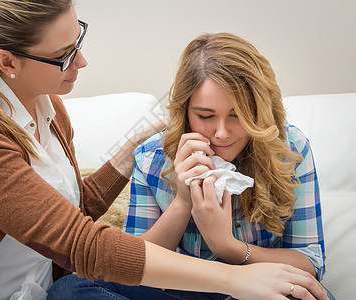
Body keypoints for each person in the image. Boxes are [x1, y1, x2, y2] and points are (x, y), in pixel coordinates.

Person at [0, 0, 328, 298]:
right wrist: (232, 275)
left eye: (78, 41)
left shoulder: (49, 109)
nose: (83, 62)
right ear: (7, 62)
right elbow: (80, 243)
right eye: (64, 55)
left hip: (31, 289)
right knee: (73, 290)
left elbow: (66, 213)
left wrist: (126, 156)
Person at [52, 33, 335, 299]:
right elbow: (132, 265)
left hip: (261, 286)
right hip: (182, 288)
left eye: (238, 115)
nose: (221, 132)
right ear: (184, 111)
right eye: (206, 115)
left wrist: (228, 246)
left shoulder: (289, 148)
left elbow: (309, 262)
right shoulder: (153, 157)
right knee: (70, 289)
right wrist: (182, 201)